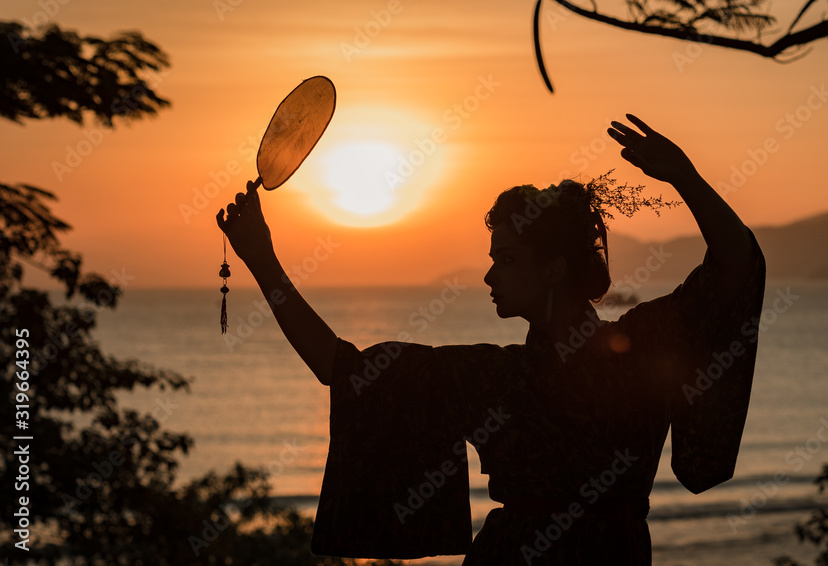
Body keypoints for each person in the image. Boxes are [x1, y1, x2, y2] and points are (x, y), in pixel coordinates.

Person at [217, 114, 766, 565]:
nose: (488, 276)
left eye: (504, 259)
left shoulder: (628, 349)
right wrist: (260, 257)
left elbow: (732, 267)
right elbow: (344, 368)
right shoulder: (500, 374)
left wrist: (686, 178)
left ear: (553, 270)